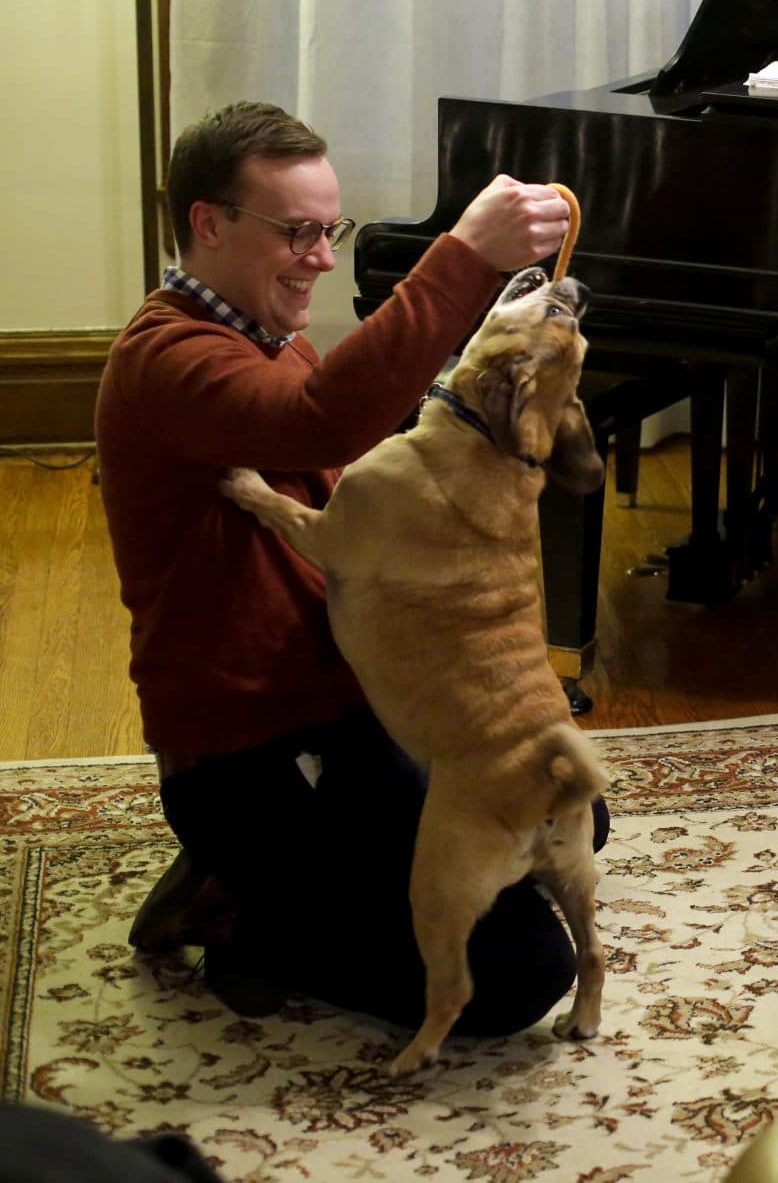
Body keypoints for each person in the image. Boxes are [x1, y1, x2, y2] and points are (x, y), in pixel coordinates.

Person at [98, 101, 607, 1032]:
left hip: (344, 705)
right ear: (208, 224)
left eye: (326, 230)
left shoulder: (266, 334)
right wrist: (462, 256)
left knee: (567, 815)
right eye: (296, 233)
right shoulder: (166, 357)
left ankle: (282, 884)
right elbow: (320, 420)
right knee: (521, 977)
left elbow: (344, 462)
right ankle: (248, 913)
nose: (322, 258)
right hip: (250, 749)